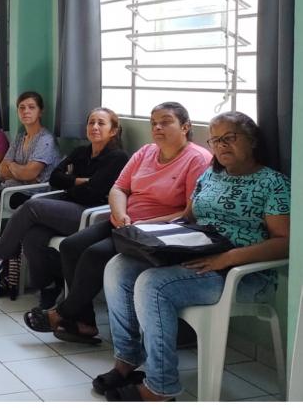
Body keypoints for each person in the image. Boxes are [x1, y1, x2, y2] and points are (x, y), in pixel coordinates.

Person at [98, 111, 289, 401]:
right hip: (198, 255)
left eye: (230, 138)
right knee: (119, 266)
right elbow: (187, 218)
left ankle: (160, 387)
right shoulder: (211, 175)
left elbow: (285, 243)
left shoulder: (273, 183)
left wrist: (228, 259)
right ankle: (127, 359)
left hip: (241, 274)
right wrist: (148, 235)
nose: (222, 146)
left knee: (152, 284)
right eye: (216, 140)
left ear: (251, 141)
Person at [24, 102, 212, 344]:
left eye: (165, 122)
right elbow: (119, 188)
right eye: (154, 122)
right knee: (71, 246)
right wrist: (122, 215)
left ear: (185, 127)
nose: (157, 127)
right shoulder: (145, 152)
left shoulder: (197, 159)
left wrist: (141, 223)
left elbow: (189, 213)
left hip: (154, 231)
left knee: (93, 254)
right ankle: (84, 322)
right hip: (124, 221)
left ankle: (63, 313)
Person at [0, 108, 129, 307]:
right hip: (68, 207)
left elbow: (94, 192)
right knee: (33, 235)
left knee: (32, 206)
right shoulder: (81, 152)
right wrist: (79, 182)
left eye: (101, 123)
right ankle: (48, 287)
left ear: (113, 130)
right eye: (91, 123)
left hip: (90, 215)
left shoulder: (117, 158)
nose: (95, 127)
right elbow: (55, 178)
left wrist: (72, 184)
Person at [0, 91, 61, 210]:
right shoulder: (20, 137)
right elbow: (2, 169)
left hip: (27, 194)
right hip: (7, 187)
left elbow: (28, 173)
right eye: (21, 108)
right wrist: (23, 174)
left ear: (40, 112)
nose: (26, 111)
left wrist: (12, 166)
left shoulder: (45, 139)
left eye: (31, 107)